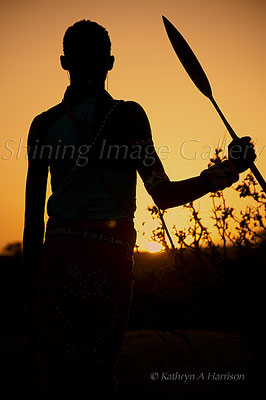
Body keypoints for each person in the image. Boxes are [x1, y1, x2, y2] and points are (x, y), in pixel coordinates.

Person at [23, 19, 256, 399]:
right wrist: (229, 170)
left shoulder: (42, 125)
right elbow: (163, 196)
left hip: (56, 262)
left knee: (58, 382)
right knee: (97, 379)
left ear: (63, 62)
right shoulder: (128, 116)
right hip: (108, 259)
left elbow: (33, 223)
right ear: (110, 63)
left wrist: (28, 292)